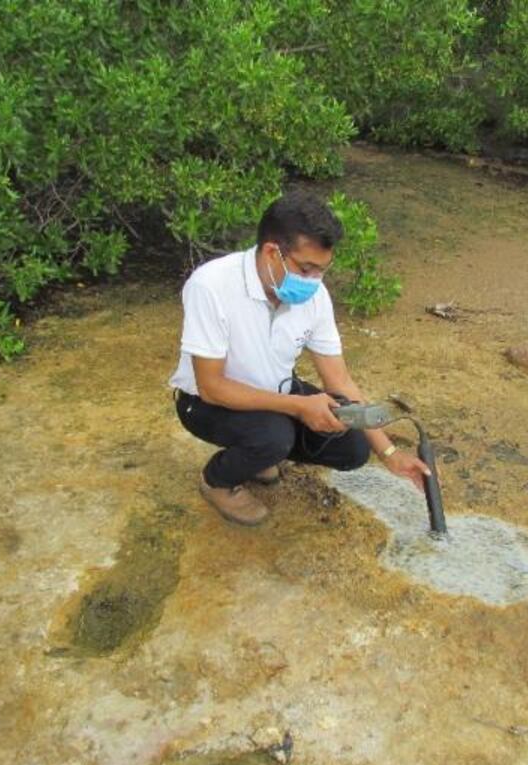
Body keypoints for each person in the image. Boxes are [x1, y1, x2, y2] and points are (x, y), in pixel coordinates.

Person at [168, 190, 431, 526]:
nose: (313, 280)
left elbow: (339, 380)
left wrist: (390, 454)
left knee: (351, 447)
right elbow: (211, 387)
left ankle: (260, 454)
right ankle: (217, 480)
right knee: (274, 436)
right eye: (306, 268)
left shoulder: (315, 296)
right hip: (204, 404)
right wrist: (299, 407)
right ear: (271, 252)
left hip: (275, 393)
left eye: (321, 270)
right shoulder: (211, 285)